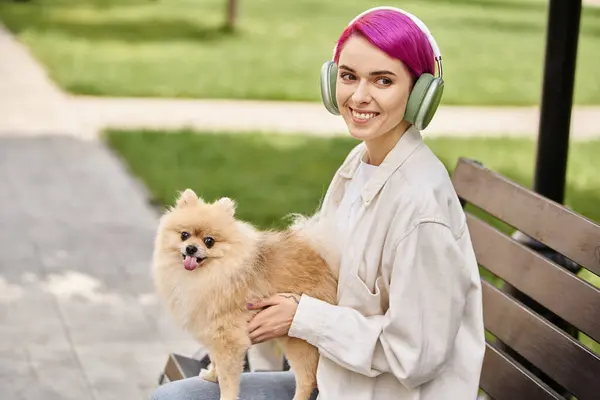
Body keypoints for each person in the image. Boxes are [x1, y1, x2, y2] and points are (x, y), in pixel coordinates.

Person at [151, 6, 485, 400]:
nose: (360, 96)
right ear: (331, 83)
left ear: (420, 94)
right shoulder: (360, 163)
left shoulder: (421, 211)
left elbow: (415, 356)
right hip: (336, 379)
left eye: (383, 80)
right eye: (348, 77)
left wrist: (304, 317)